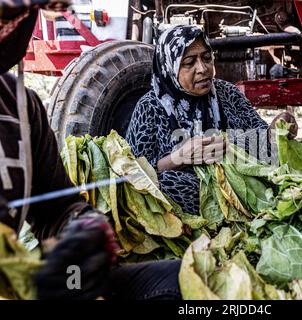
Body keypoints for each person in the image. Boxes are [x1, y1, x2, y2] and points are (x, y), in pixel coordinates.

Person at [0, 0, 180, 300]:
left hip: (35, 288)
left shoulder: (19, 104)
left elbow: (55, 209)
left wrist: (84, 227)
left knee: (174, 282)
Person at [126, 25, 299, 215]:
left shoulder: (227, 93)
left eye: (207, 58)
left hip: (239, 187)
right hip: (188, 194)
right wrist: (180, 157)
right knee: (164, 186)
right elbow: (134, 170)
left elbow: (262, 140)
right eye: (189, 62)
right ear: (169, 66)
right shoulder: (150, 107)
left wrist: (277, 129)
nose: (202, 69)